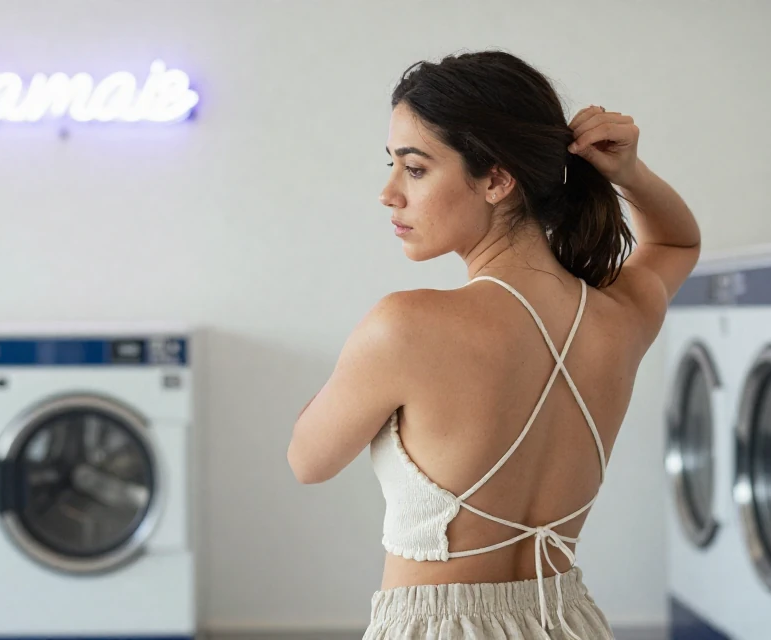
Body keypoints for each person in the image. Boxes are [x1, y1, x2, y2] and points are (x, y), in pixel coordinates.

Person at [287, 50, 700, 640]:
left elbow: (307, 461)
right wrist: (629, 172)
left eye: (415, 168)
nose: (388, 193)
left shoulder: (405, 326)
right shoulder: (622, 313)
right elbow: (678, 245)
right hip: (569, 623)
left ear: (498, 180)